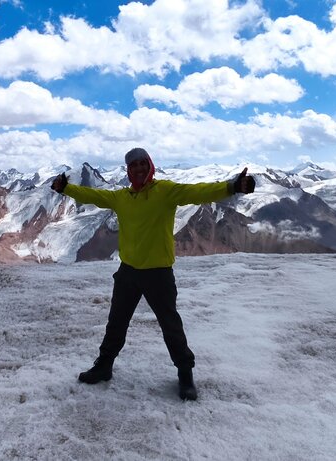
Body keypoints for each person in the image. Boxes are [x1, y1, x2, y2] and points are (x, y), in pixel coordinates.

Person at [50, 147, 255, 400]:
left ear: (150, 166)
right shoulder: (121, 198)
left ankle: (185, 373)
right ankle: (104, 366)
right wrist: (65, 188)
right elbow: (93, 195)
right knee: (116, 323)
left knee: (171, 325)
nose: (138, 169)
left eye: (142, 164)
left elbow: (198, 192)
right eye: (133, 165)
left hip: (159, 274)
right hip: (128, 273)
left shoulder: (165, 191)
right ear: (128, 171)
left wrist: (233, 187)